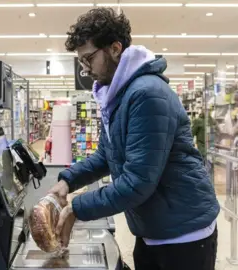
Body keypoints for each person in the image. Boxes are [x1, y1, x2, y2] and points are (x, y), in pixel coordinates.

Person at [49, 8, 220, 270]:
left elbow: (137, 182)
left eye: (88, 59)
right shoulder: (118, 95)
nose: (85, 70)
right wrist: (68, 180)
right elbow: (107, 155)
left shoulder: (146, 94)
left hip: (182, 234)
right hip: (155, 226)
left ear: (115, 48)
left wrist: (76, 208)